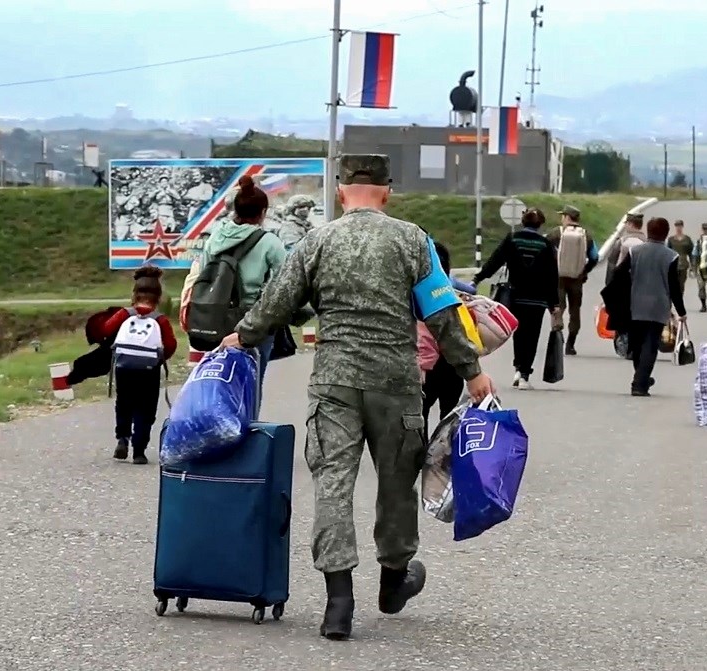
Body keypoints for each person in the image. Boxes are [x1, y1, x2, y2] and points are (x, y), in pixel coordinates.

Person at [219, 154, 492, 641]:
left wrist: (240, 337)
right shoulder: (413, 240)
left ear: (341, 192)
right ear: (386, 192)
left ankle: (337, 603)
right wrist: (472, 371)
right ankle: (393, 583)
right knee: (396, 485)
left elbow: (276, 303)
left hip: (335, 383)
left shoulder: (317, 241)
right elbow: (442, 311)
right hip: (396, 383)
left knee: (332, 484)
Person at [193, 174, 287, 406]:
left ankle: (218, 428)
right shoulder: (270, 243)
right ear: (263, 212)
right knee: (251, 386)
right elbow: (284, 284)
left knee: (220, 381)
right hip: (254, 322)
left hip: (217, 319)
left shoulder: (215, 237)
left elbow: (205, 274)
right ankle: (248, 433)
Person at [97, 266, 178, 465]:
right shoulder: (160, 320)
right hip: (149, 370)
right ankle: (139, 451)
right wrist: (159, 358)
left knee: (124, 403)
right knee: (145, 408)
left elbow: (105, 329)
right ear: (158, 296)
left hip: (124, 367)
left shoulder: (125, 314)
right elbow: (170, 346)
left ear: (135, 293)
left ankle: (122, 439)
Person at [473, 207, 560, 390]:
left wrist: (478, 278)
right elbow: (552, 276)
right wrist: (554, 304)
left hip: (515, 297)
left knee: (519, 334)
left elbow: (495, 261)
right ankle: (524, 374)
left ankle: (517, 369)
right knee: (532, 335)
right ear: (540, 224)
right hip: (537, 300)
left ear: (523, 222)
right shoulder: (545, 244)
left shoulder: (512, 239)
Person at [615, 217, 687, 396]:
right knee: (650, 345)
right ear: (666, 233)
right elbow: (674, 287)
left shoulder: (635, 251)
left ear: (648, 231)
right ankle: (640, 383)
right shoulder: (671, 256)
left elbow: (619, 273)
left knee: (637, 345)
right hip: (658, 306)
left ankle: (641, 378)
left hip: (635, 304)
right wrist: (681, 311)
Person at [417, 241, 467, 431]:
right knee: (450, 418)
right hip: (452, 364)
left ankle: (423, 457)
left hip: (426, 368)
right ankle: (444, 457)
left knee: (420, 416)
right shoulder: (454, 293)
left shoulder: (415, 295)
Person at [547, 204, 599, 355]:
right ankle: (570, 344)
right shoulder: (586, 235)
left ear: (567, 217)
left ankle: (557, 333)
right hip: (577, 279)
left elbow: (545, 251)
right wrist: (584, 271)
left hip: (558, 278)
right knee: (575, 311)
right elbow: (595, 257)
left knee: (558, 309)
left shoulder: (556, 233)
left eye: (563, 216)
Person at [602, 212, 646, 287]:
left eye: (626, 223)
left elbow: (612, 263)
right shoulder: (646, 242)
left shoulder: (621, 241)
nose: (625, 226)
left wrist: (609, 284)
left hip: (622, 283)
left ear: (631, 224)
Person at [665, 220, 694, 300]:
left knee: (681, 284)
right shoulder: (671, 239)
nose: (678, 228)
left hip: (684, 264)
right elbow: (667, 252)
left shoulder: (687, 239)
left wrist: (692, 266)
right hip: (673, 264)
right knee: (673, 283)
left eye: (680, 226)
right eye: (677, 226)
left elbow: (691, 253)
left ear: (682, 226)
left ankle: (679, 298)